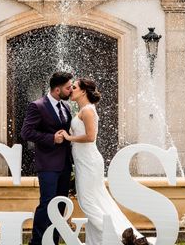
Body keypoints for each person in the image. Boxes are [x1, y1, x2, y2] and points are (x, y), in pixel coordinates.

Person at [61, 78, 144, 245]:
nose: (71, 90)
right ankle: (97, 242)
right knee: (99, 201)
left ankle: (118, 238)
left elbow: (91, 137)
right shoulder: (83, 110)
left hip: (89, 162)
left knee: (88, 203)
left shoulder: (88, 111)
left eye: (75, 87)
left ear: (83, 91)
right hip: (83, 161)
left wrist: (69, 137)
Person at [20, 71, 74, 245]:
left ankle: (53, 241)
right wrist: (51, 138)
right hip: (48, 164)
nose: (71, 90)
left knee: (61, 205)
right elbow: (26, 132)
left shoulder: (65, 107)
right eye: (68, 87)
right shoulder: (37, 106)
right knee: (46, 203)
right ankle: (37, 242)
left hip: (65, 164)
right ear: (57, 90)